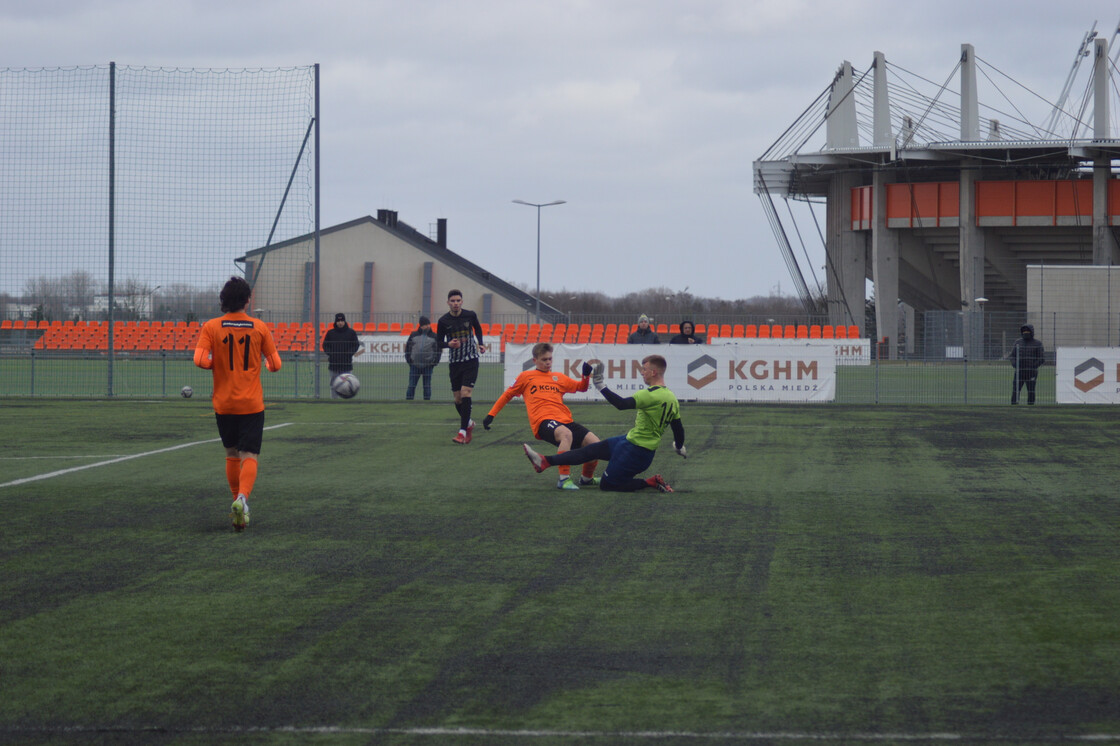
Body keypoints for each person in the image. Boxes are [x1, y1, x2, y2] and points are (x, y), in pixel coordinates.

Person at [193, 276, 282, 531]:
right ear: (247, 300)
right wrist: (265, 364)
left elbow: (199, 359)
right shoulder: (259, 327)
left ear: (223, 301)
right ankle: (243, 498)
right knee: (249, 455)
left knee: (231, 454)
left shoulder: (211, 326)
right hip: (251, 404)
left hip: (224, 404)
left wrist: (216, 364)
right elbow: (275, 365)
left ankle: (236, 504)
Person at [522, 354, 684, 492]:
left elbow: (621, 404)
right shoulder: (672, 398)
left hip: (637, 452)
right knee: (591, 450)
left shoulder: (650, 395)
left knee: (608, 485)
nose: (642, 373)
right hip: (629, 441)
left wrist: (600, 385)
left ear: (653, 372)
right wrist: (679, 446)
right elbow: (678, 428)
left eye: (644, 369)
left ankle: (650, 482)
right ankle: (545, 461)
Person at [483, 343, 601, 490]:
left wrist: (585, 376)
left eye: (550, 359)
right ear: (535, 361)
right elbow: (507, 395)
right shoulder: (525, 376)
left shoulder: (559, 377)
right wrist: (491, 414)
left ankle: (586, 479)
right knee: (566, 434)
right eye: (544, 359)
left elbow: (581, 388)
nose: (548, 362)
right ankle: (563, 479)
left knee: (597, 445)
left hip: (565, 420)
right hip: (543, 421)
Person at [435, 289, 487, 443]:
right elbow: (438, 342)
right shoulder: (443, 321)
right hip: (455, 363)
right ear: (448, 303)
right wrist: (448, 344)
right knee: (458, 399)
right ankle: (469, 423)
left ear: (462, 302)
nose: (456, 303)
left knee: (466, 392)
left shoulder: (470, 315)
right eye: (453, 301)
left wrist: (481, 344)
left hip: (471, 360)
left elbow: (477, 328)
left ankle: (462, 432)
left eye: (458, 301)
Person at [322, 312, 363, 399]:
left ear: (344, 321)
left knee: (348, 383)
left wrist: (349, 353)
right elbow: (325, 345)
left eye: (342, 320)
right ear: (335, 322)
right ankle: (334, 400)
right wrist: (331, 354)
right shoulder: (330, 333)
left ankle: (347, 399)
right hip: (334, 364)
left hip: (346, 363)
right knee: (334, 384)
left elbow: (356, 345)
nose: (340, 322)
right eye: (338, 321)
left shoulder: (351, 333)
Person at [404, 315, 440, 400]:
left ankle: (427, 402)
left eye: (428, 324)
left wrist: (434, 362)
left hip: (428, 365)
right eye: (425, 325)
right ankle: (409, 401)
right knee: (412, 385)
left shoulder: (434, 336)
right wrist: (409, 361)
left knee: (427, 386)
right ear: (421, 326)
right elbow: (408, 349)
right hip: (414, 365)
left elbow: (438, 350)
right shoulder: (413, 335)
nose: (428, 326)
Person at [1009, 323, 1044, 405]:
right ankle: (1014, 405)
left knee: (1031, 390)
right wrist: (1015, 365)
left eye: (1028, 331)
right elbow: (1012, 356)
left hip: (1031, 372)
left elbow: (1041, 358)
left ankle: (1031, 406)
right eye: (1024, 331)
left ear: (1032, 332)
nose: (1026, 333)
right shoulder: (1018, 342)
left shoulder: (1038, 343)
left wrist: (1033, 367)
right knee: (1015, 390)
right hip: (1019, 371)